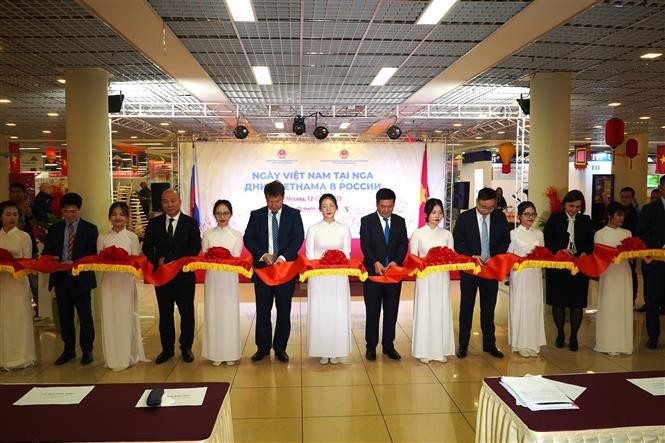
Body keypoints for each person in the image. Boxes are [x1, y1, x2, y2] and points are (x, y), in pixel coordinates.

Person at [244, 181, 304, 363]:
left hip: (285, 271)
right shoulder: (256, 215)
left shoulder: (294, 214)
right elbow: (249, 238)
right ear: (266, 198)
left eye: (277, 201)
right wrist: (262, 254)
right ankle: (262, 348)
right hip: (263, 271)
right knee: (262, 310)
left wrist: (283, 257)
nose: (274, 205)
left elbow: (297, 238)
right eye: (270, 202)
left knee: (284, 311)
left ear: (283, 198)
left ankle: (280, 349)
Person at [142, 189, 201, 364]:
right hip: (162, 277)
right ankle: (167, 350)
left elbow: (195, 247)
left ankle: (186, 348)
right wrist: (156, 260)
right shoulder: (154, 223)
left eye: (173, 201)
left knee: (187, 313)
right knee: (165, 314)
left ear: (180, 201)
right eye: (165, 201)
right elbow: (147, 247)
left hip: (183, 277)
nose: (169, 204)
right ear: (161, 203)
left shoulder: (190, 223)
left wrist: (179, 262)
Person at [453, 187, 511, 359]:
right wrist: (472, 256)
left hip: (490, 269)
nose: (487, 211)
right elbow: (458, 242)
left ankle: (489, 344)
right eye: (483, 207)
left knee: (488, 308)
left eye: (490, 208)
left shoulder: (499, 217)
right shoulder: (465, 218)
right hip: (471, 269)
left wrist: (494, 258)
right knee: (466, 307)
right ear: (477, 202)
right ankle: (463, 345)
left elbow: (505, 241)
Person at [42, 192, 98, 365]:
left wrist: (77, 263)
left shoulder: (90, 229)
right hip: (61, 278)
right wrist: (54, 259)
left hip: (81, 279)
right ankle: (69, 350)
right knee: (65, 316)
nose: (69, 215)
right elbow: (47, 253)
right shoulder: (55, 229)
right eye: (66, 211)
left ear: (79, 209)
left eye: (73, 211)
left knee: (85, 316)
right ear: (62, 211)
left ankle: (87, 351)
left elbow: (93, 255)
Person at [97, 202, 148, 370]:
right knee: (110, 317)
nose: (117, 217)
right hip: (109, 283)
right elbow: (99, 262)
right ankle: (112, 357)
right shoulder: (103, 237)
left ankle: (129, 355)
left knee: (126, 316)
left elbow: (136, 261)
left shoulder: (132, 237)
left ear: (127, 217)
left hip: (126, 282)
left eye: (121, 214)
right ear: (110, 217)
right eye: (114, 214)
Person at [360, 188, 408, 361]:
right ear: (377, 204)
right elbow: (365, 245)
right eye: (383, 206)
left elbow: (403, 244)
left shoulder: (400, 221)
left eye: (389, 206)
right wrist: (375, 262)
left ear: (393, 204)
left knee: (391, 311)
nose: (386, 210)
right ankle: (371, 346)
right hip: (374, 275)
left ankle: (389, 346)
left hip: (393, 275)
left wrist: (396, 261)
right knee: (372, 312)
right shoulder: (367, 221)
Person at [543, 189, 594, 352]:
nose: (574, 210)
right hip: (559, 266)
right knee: (558, 301)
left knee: (577, 303)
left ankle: (573, 336)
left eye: (578, 207)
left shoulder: (585, 220)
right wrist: (560, 251)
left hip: (578, 266)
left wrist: (586, 251)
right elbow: (547, 240)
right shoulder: (555, 218)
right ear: (565, 204)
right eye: (571, 206)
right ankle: (560, 334)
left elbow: (590, 242)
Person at [305, 194, 352, 365]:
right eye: (324, 206)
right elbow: (309, 255)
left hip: (338, 277)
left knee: (337, 311)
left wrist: (335, 261)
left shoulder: (344, 228)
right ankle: (322, 350)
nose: (328, 209)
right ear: (319, 209)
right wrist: (324, 263)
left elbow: (347, 254)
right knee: (321, 312)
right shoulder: (313, 229)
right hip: (319, 278)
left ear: (336, 208)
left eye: (331, 205)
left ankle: (337, 349)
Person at [409, 198, 455, 364]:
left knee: (441, 310)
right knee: (425, 311)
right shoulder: (418, 233)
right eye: (434, 212)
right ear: (427, 214)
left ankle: (441, 349)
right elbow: (413, 258)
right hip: (425, 279)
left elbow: (452, 257)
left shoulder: (447, 234)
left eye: (440, 213)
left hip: (442, 278)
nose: (437, 216)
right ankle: (424, 350)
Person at [201, 199, 243, 366]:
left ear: (230, 214)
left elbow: (236, 256)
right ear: (214, 215)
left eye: (225, 213)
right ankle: (215, 353)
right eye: (218, 213)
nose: (222, 216)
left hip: (229, 279)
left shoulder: (236, 235)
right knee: (213, 313)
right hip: (212, 278)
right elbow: (205, 255)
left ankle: (230, 352)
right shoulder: (208, 234)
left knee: (228, 314)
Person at [506, 201, 546, 357]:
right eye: (527, 214)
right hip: (520, 274)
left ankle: (533, 343)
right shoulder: (513, 233)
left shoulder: (539, 234)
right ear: (520, 215)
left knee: (533, 305)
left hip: (535, 274)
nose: (530, 217)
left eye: (533, 214)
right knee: (520, 305)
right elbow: (509, 256)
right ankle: (520, 343)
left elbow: (543, 254)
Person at [0, 200, 36, 370]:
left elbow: (27, 262)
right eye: (8, 214)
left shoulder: (24, 237)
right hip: (2, 284)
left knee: (19, 319)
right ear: (1, 217)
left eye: (15, 214)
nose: (12, 218)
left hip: (18, 283)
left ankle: (22, 357)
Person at [594, 202, 633, 356]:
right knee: (609, 304)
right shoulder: (600, 234)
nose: (621, 218)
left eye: (623, 215)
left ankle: (623, 343)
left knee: (623, 304)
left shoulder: (627, 233)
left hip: (623, 271)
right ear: (610, 215)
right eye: (619, 215)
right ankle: (608, 343)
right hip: (609, 272)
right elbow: (598, 255)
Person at [638, 175, 665, 350]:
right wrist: (660, 246)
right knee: (653, 301)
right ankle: (653, 336)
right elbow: (641, 233)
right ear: (661, 188)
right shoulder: (649, 209)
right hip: (656, 262)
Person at [9, 182, 39, 317]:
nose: (16, 194)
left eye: (18, 192)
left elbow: (37, 228)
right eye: (13, 192)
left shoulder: (31, 208)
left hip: (29, 250)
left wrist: (29, 214)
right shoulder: (6, 209)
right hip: (10, 252)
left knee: (34, 283)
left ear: (23, 193)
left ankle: (38, 311)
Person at [619, 187, 640, 306]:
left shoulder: (636, 212)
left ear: (632, 198)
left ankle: (632, 298)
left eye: (627, 197)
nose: (624, 199)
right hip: (617, 245)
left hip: (630, 245)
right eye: (622, 196)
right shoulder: (617, 210)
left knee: (631, 272)